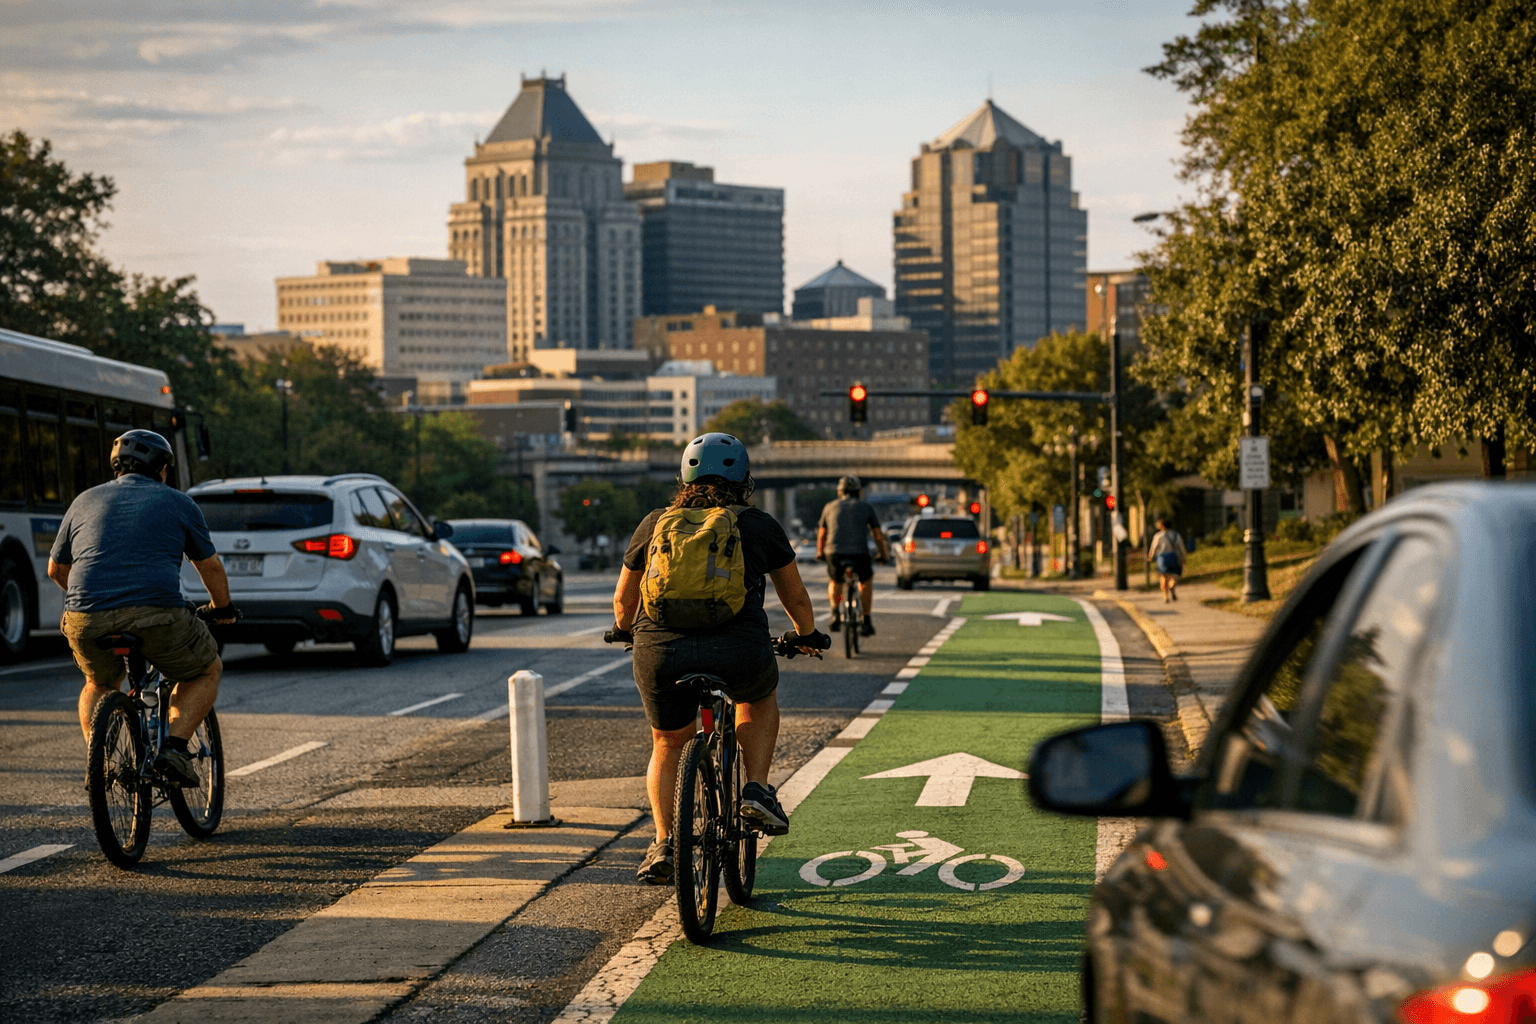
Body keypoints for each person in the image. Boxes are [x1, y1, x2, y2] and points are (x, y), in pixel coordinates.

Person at [612, 433, 828, 884]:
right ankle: (756, 790)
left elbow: (623, 602)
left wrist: (626, 632)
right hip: (738, 647)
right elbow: (797, 598)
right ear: (743, 480)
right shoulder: (758, 524)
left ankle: (664, 842)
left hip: (661, 650)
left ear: (684, 477)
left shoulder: (655, 522)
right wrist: (805, 636)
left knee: (668, 742)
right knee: (756, 699)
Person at [47, 430, 238, 787]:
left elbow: (56, 570)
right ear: (162, 468)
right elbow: (209, 565)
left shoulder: (84, 500)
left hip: (85, 616)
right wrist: (222, 608)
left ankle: (98, 760)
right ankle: (175, 749)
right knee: (206, 669)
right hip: (157, 613)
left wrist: (90, 601)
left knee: (98, 682)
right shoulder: (179, 502)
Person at [816, 475, 889, 636]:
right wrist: (883, 554)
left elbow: (822, 533)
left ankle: (835, 614)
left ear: (840, 491)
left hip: (834, 552)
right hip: (859, 553)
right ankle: (866, 621)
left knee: (835, 580)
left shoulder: (829, 506)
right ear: (858, 492)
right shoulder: (866, 507)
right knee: (865, 582)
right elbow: (877, 534)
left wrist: (820, 552)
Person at [1149, 517, 1189, 603]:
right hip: (1174, 557)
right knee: (1175, 576)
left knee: (1163, 577)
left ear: (1162, 526)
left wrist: (1151, 556)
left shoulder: (1158, 536)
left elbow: (1154, 548)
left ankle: (1166, 596)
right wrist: (1184, 557)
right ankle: (1171, 587)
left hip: (1162, 558)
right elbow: (1182, 547)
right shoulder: (1176, 535)